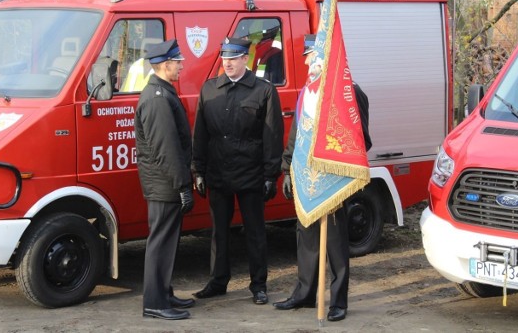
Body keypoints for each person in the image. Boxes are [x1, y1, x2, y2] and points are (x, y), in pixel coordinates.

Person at [273, 34, 372, 322]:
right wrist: (288, 167)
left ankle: (338, 301)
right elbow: (297, 134)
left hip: (334, 179)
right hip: (307, 178)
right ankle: (304, 294)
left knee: (336, 245)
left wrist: (335, 158)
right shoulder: (308, 92)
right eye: (307, 57)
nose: (307, 62)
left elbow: (361, 141)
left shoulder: (350, 93)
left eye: (311, 57)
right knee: (306, 240)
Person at [192, 36, 284, 305]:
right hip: (219, 173)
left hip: (251, 173)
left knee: (255, 232)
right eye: (225, 57)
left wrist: (271, 175)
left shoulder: (263, 90)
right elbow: (201, 134)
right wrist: (198, 169)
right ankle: (218, 282)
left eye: (233, 57)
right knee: (219, 233)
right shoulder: (209, 89)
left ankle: (259, 285)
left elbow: (272, 136)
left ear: (246, 58)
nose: (228, 62)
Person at [135, 39, 196, 321]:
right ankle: (155, 303)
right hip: (164, 184)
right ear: (165, 64)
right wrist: (182, 184)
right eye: (178, 62)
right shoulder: (157, 98)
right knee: (160, 243)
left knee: (167, 241)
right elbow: (166, 147)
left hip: (164, 182)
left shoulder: (161, 92)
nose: (182, 65)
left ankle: (164, 292)